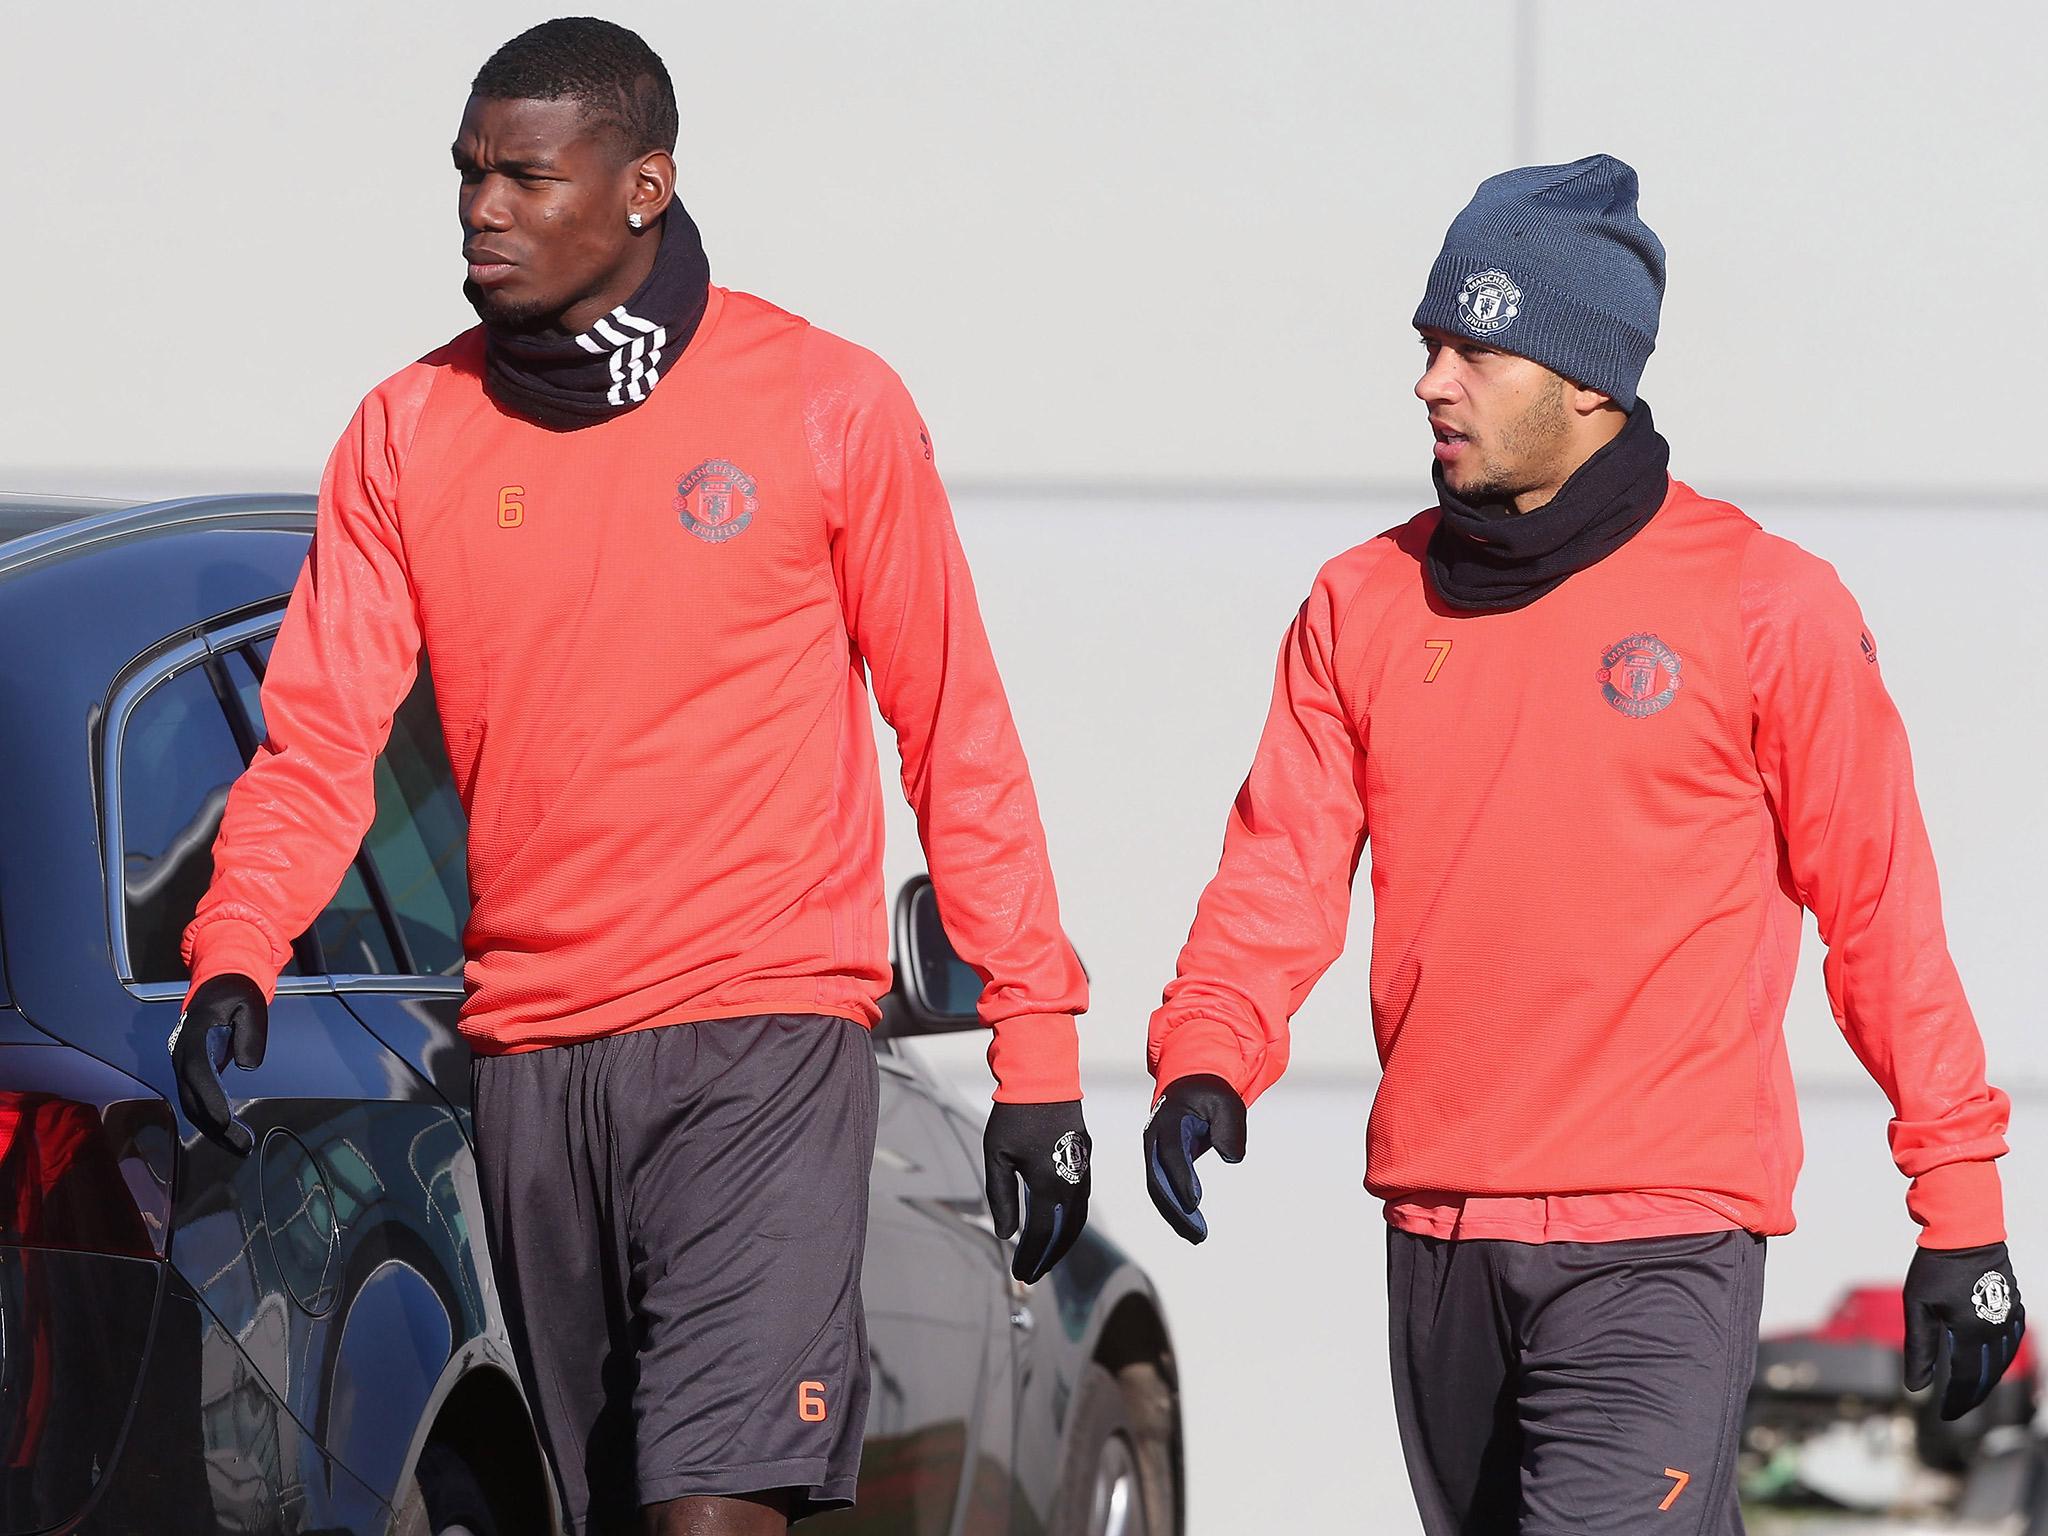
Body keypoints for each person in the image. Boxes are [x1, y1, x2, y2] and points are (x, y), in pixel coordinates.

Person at [168, 18, 1093, 1534]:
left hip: (762, 1043)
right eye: (469, 174)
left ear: (643, 186)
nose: (483, 208)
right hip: (532, 1062)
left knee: (713, 1507)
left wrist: (1036, 1056)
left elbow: (959, 737)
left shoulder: (826, 403)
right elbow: (322, 740)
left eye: (527, 178)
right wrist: (236, 952)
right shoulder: (408, 432)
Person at [1141, 154, 2025, 1534]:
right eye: (1429, 345)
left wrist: (1957, 1202)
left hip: (1660, 1240)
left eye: (1475, 349)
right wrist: (1208, 1050)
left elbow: (1880, 915)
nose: (1431, 381)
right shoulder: (1360, 601)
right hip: (1439, 1234)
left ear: (1590, 380)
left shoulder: (1764, 607)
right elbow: (1281, 864)